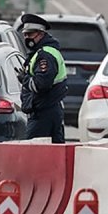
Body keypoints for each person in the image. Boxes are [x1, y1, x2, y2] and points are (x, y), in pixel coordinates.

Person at [16, 13, 68, 143]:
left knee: (32, 153)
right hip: (48, 109)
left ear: (41, 34)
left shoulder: (45, 55)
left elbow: (41, 84)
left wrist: (25, 79)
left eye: (31, 34)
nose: (27, 38)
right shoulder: (40, 53)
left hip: (44, 112)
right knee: (53, 152)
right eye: (25, 35)